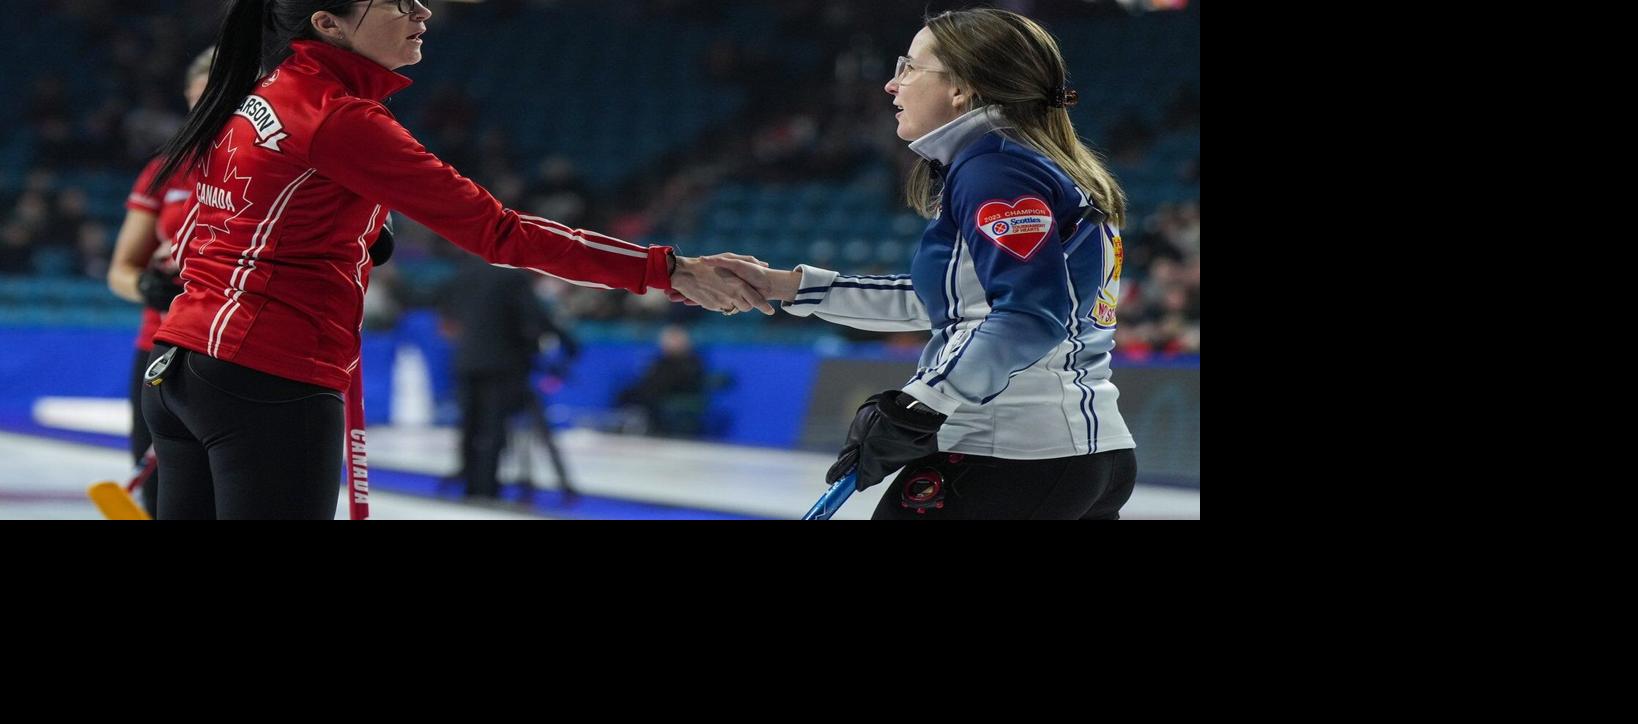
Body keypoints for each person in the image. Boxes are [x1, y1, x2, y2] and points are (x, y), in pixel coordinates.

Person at [139, 0, 767, 519]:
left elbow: (216, 226)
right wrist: (667, 269)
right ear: (328, 23)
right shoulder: (340, 118)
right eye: (397, 3)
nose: (423, 11)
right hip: (267, 379)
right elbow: (498, 232)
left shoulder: (259, 97)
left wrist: (355, 235)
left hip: (188, 370)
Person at [719, 9, 1137, 520]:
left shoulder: (996, 168)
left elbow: (1030, 315)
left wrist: (920, 403)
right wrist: (788, 286)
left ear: (961, 88)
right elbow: (957, 305)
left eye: (911, 67)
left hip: (1008, 458)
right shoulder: (1015, 161)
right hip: (1075, 457)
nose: (893, 84)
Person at [105, 47, 215, 515]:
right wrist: (152, 287)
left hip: (234, 345)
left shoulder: (271, 163)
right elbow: (121, 272)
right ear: (189, 97)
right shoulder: (166, 169)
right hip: (163, 344)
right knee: (162, 492)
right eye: (203, 96)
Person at [439, 263, 579, 501]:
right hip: (502, 364)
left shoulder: (464, 273)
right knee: (493, 427)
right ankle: (486, 489)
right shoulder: (513, 277)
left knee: (471, 425)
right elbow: (533, 318)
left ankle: (471, 484)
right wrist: (566, 342)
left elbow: (449, 316)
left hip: (467, 361)